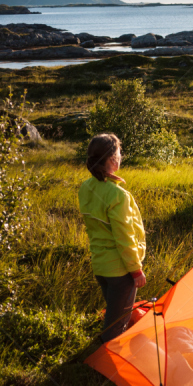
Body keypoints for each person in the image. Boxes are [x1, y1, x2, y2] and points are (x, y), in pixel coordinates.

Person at [79, 133, 147, 342]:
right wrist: (136, 270)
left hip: (101, 266)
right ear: (111, 159)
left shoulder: (85, 188)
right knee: (115, 328)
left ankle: (104, 357)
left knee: (114, 316)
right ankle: (102, 366)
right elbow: (124, 237)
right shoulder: (118, 195)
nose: (121, 156)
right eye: (119, 153)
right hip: (121, 271)